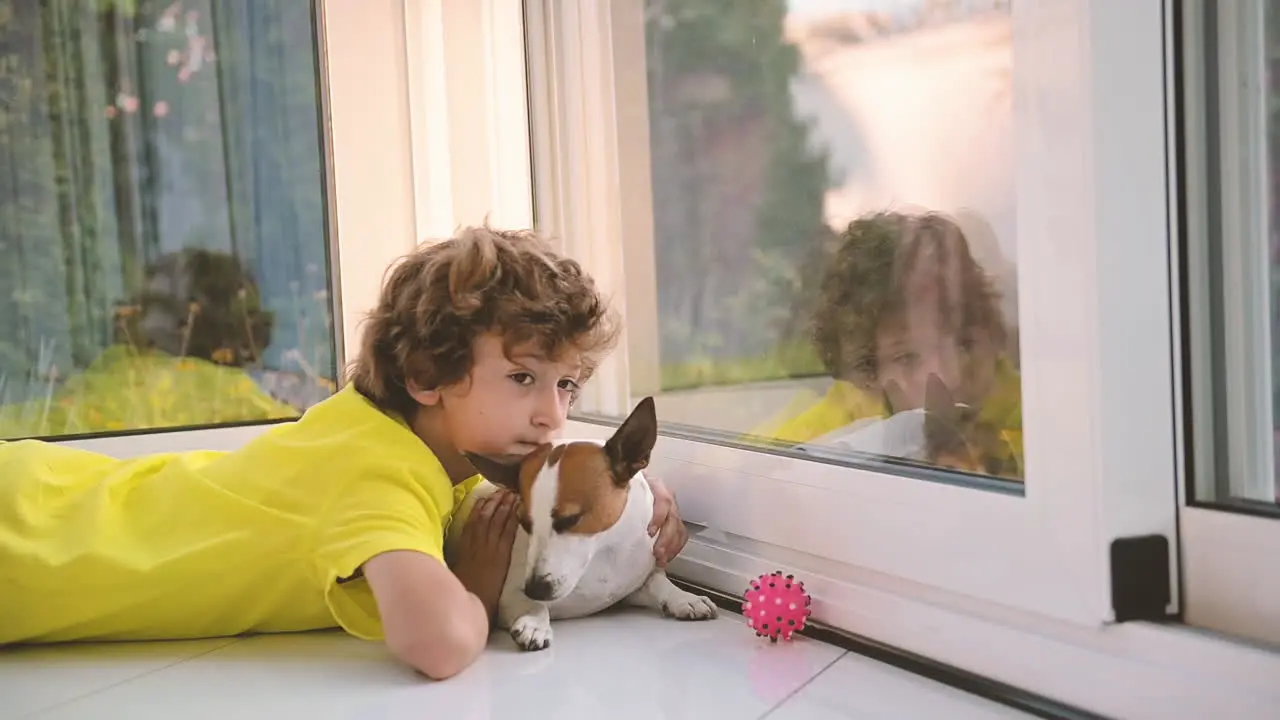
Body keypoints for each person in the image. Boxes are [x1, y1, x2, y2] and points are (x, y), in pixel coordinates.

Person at [0, 226, 691, 681]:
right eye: (523, 378)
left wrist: (632, 495)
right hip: (28, 545)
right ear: (426, 377)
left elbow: (557, 482)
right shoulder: (377, 473)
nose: (554, 413)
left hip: (49, 499)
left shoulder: (397, 437)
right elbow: (439, 644)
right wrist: (477, 586)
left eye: (566, 384)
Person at [758, 210, 1024, 478]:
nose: (949, 375)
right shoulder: (835, 427)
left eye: (963, 344)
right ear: (869, 374)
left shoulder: (1041, 419)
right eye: (907, 357)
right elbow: (749, 475)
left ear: (991, 332)